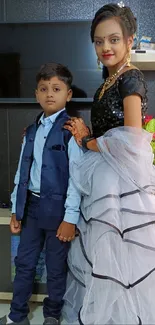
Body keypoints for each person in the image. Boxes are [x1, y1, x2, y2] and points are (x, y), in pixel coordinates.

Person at [62, 4, 155, 325]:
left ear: (130, 41)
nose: (106, 48)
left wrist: (87, 140)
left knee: (120, 259)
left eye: (114, 39)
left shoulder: (130, 79)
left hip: (122, 184)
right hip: (105, 178)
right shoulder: (110, 80)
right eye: (99, 41)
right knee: (105, 261)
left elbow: (130, 139)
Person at [0, 63, 83, 325]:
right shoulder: (31, 131)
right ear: (36, 94)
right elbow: (22, 172)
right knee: (23, 264)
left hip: (58, 213)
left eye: (56, 89)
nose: (49, 94)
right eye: (44, 89)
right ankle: (17, 316)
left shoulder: (71, 131)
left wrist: (70, 218)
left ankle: (52, 315)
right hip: (31, 210)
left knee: (57, 268)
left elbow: (78, 179)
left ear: (67, 95)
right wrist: (16, 208)